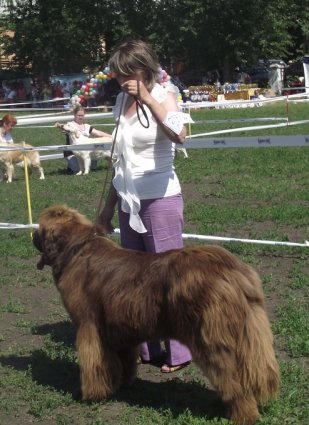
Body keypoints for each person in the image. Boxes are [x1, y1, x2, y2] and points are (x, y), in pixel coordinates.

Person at [96, 40, 192, 374]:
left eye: (128, 73)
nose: (122, 80)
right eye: (117, 74)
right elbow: (120, 163)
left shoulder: (167, 94)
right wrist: (108, 209)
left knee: (168, 278)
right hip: (128, 202)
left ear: (145, 68)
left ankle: (180, 351)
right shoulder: (120, 101)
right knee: (136, 280)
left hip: (161, 199)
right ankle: (148, 347)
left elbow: (181, 135)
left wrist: (149, 99)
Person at [64, 104, 111, 174]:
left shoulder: (87, 126)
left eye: (82, 115)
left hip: (87, 151)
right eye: (78, 115)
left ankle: (86, 169)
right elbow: (63, 128)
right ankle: (72, 166)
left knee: (92, 165)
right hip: (71, 153)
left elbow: (98, 133)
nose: (80, 117)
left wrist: (112, 136)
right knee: (76, 169)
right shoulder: (70, 125)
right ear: (74, 114)